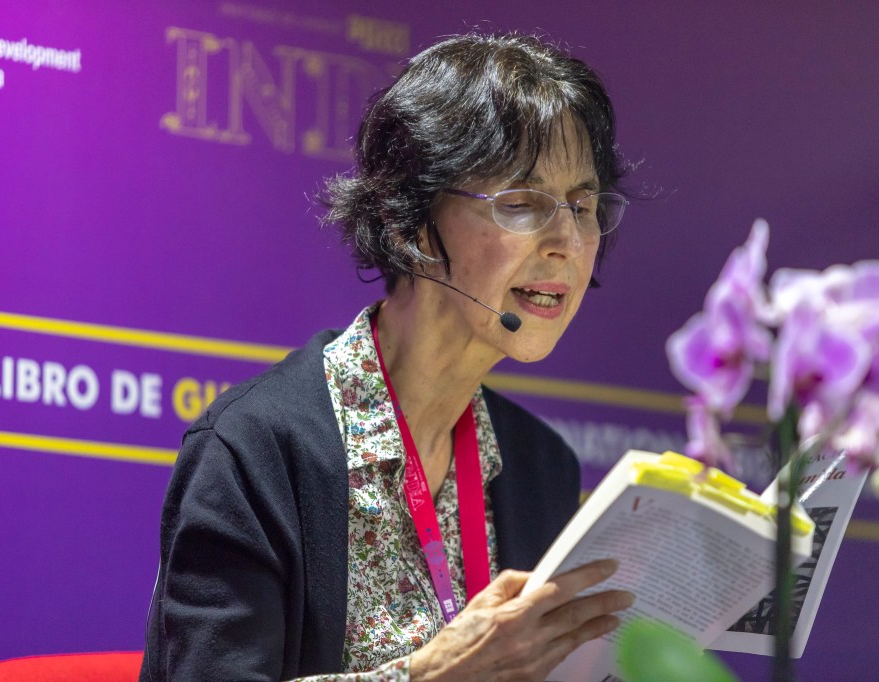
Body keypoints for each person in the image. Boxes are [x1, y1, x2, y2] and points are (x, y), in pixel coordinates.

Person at [142, 32, 634, 681]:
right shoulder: (255, 448)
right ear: (408, 221)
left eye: (583, 206)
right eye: (522, 204)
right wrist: (428, 676)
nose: (567, 241)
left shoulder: (540, 464)